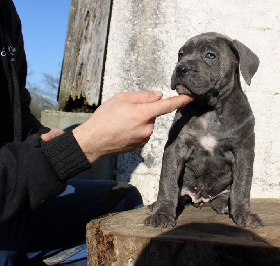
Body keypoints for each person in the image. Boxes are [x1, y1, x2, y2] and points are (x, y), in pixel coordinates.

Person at [0, 0, 193, 265]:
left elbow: (17, 110)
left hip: (12, 202)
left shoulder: (5, 11)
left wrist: (47, 136)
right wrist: (81, 146)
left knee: (122, 202)